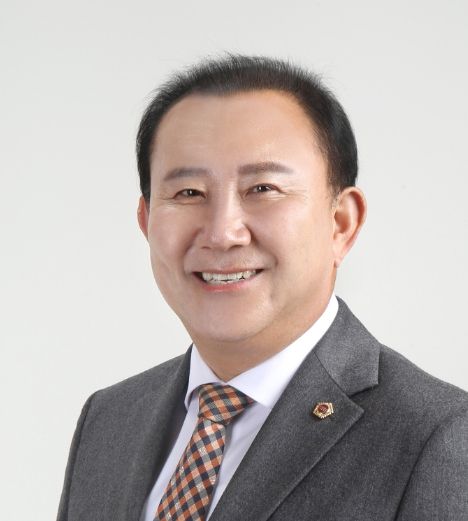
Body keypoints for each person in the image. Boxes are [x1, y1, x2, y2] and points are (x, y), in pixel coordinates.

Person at [57, 55, 468, 521]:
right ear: (147, 221)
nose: (222, 233)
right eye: (189, 193)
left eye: (263, 189)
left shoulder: (437, 438)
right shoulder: (108, 420)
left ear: (340, 222)